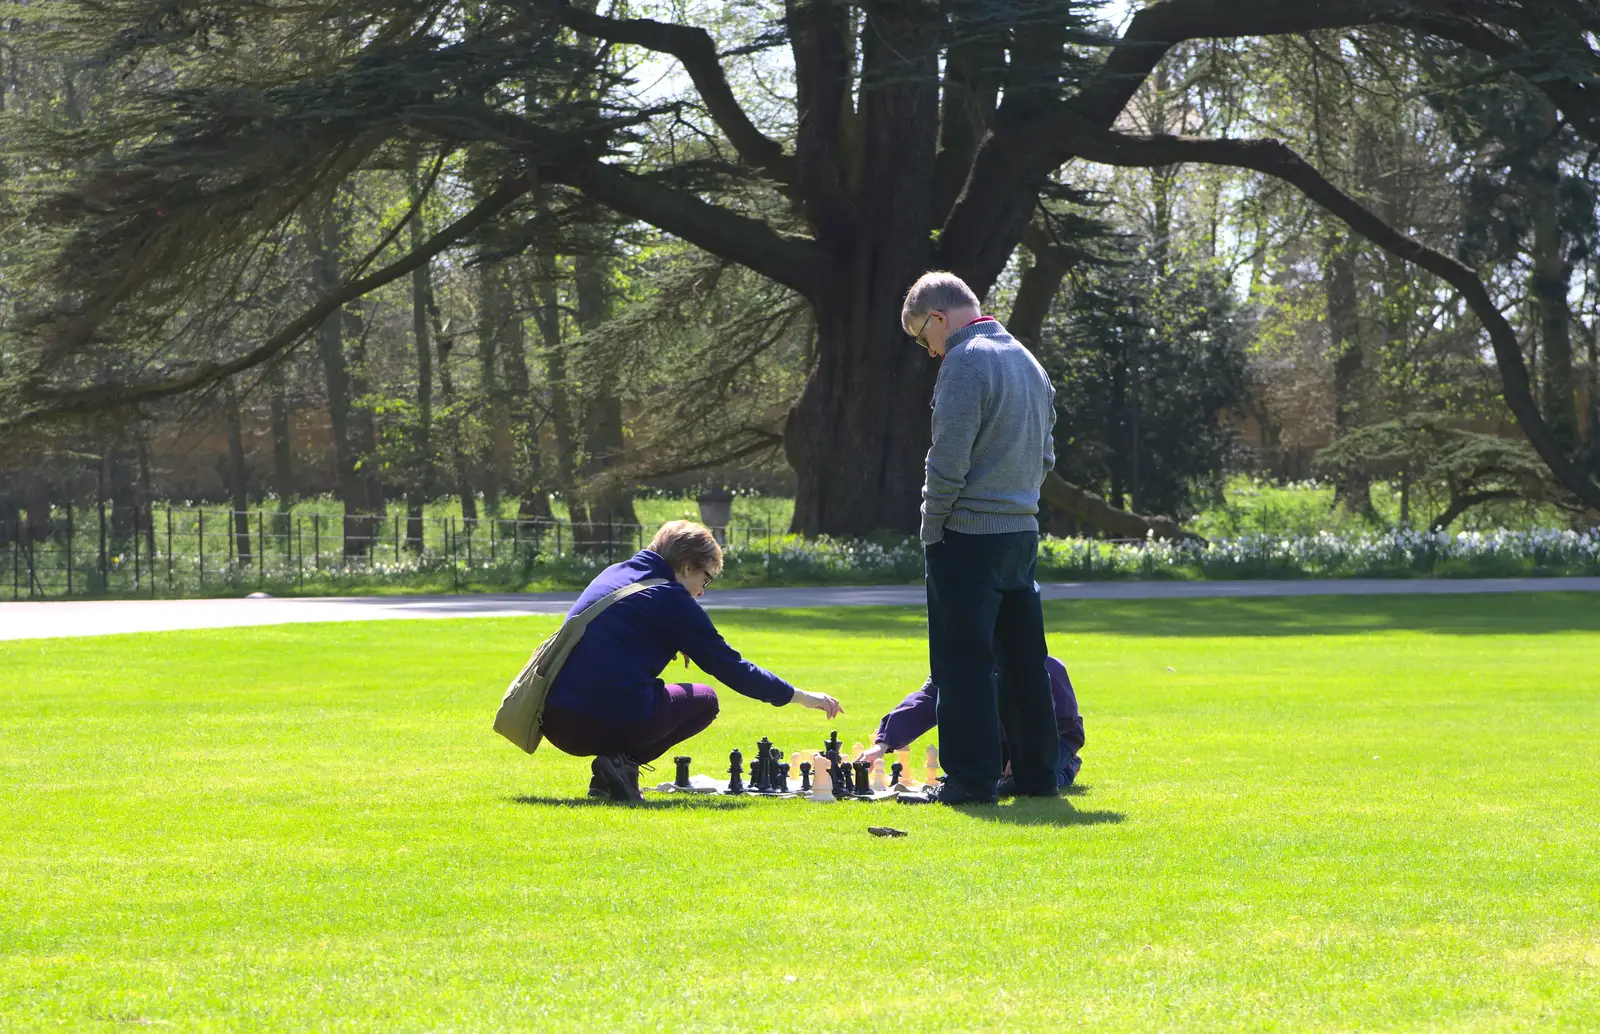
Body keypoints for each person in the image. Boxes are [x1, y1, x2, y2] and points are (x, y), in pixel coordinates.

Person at [541, 520, 843, 801]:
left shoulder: (614, 573)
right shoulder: (672, 599)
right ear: (685, 566)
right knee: (704, 700)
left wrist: (674, 638)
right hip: (601, 720)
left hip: (556, 722)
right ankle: (621, 764)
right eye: (705, 579)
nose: (700, 592)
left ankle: (609, 776)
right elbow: (731, 667)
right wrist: (800, 696)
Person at [903, 270, 1059, 805]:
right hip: (1021, 531)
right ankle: (1039, 775)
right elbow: (1046, 455)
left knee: (961, 663)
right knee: (1023, 665)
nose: (929, 350)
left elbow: (947, 459)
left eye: (924, 336)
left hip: (967, 534)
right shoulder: (1027, 361)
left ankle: (970, 781)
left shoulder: (966, 361)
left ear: (939, 318)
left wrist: (931, 528)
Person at [856, 657, 1084, 792]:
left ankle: (1067, 767)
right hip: (997, 737)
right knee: (977, 783)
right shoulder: (958, 662)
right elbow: (925, 702)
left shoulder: (1044, 665)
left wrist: (1024, 751)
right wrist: (883, 743)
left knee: (1028, 782)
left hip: (1055, 737)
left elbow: (1064, 717)